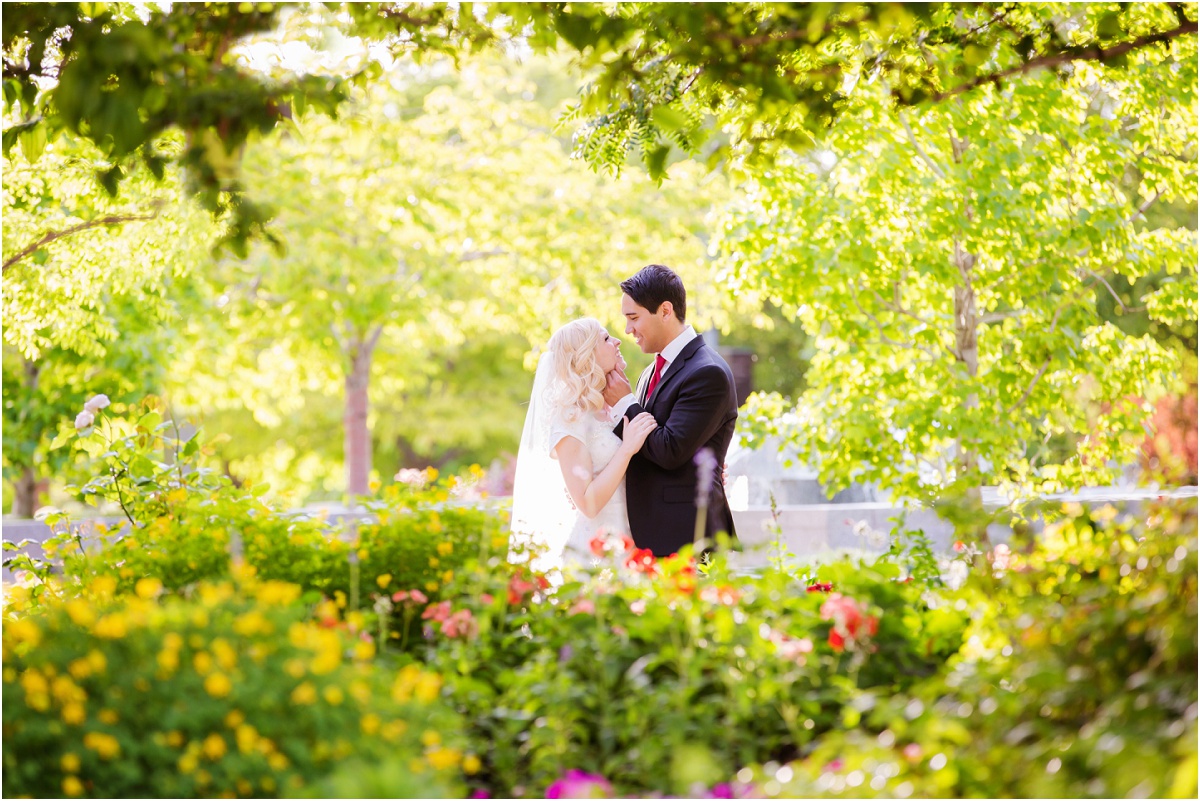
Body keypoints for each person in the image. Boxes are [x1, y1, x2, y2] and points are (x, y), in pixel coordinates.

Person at [602, 264, 739, 556]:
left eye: (634, 318)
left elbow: (670, 450)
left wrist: (625, 403)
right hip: (652, 537)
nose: (628, 330)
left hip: (688, 539)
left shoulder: (707, 372)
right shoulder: (650, 372)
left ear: (665, 310)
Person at [510, 318, 657, 570]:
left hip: (635, 540)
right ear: (587, 355)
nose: (618, 340)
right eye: (606, 338)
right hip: (597, 552)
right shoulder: (570, 417)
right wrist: (626, 449)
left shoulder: (613, 407)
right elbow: (587, 503)